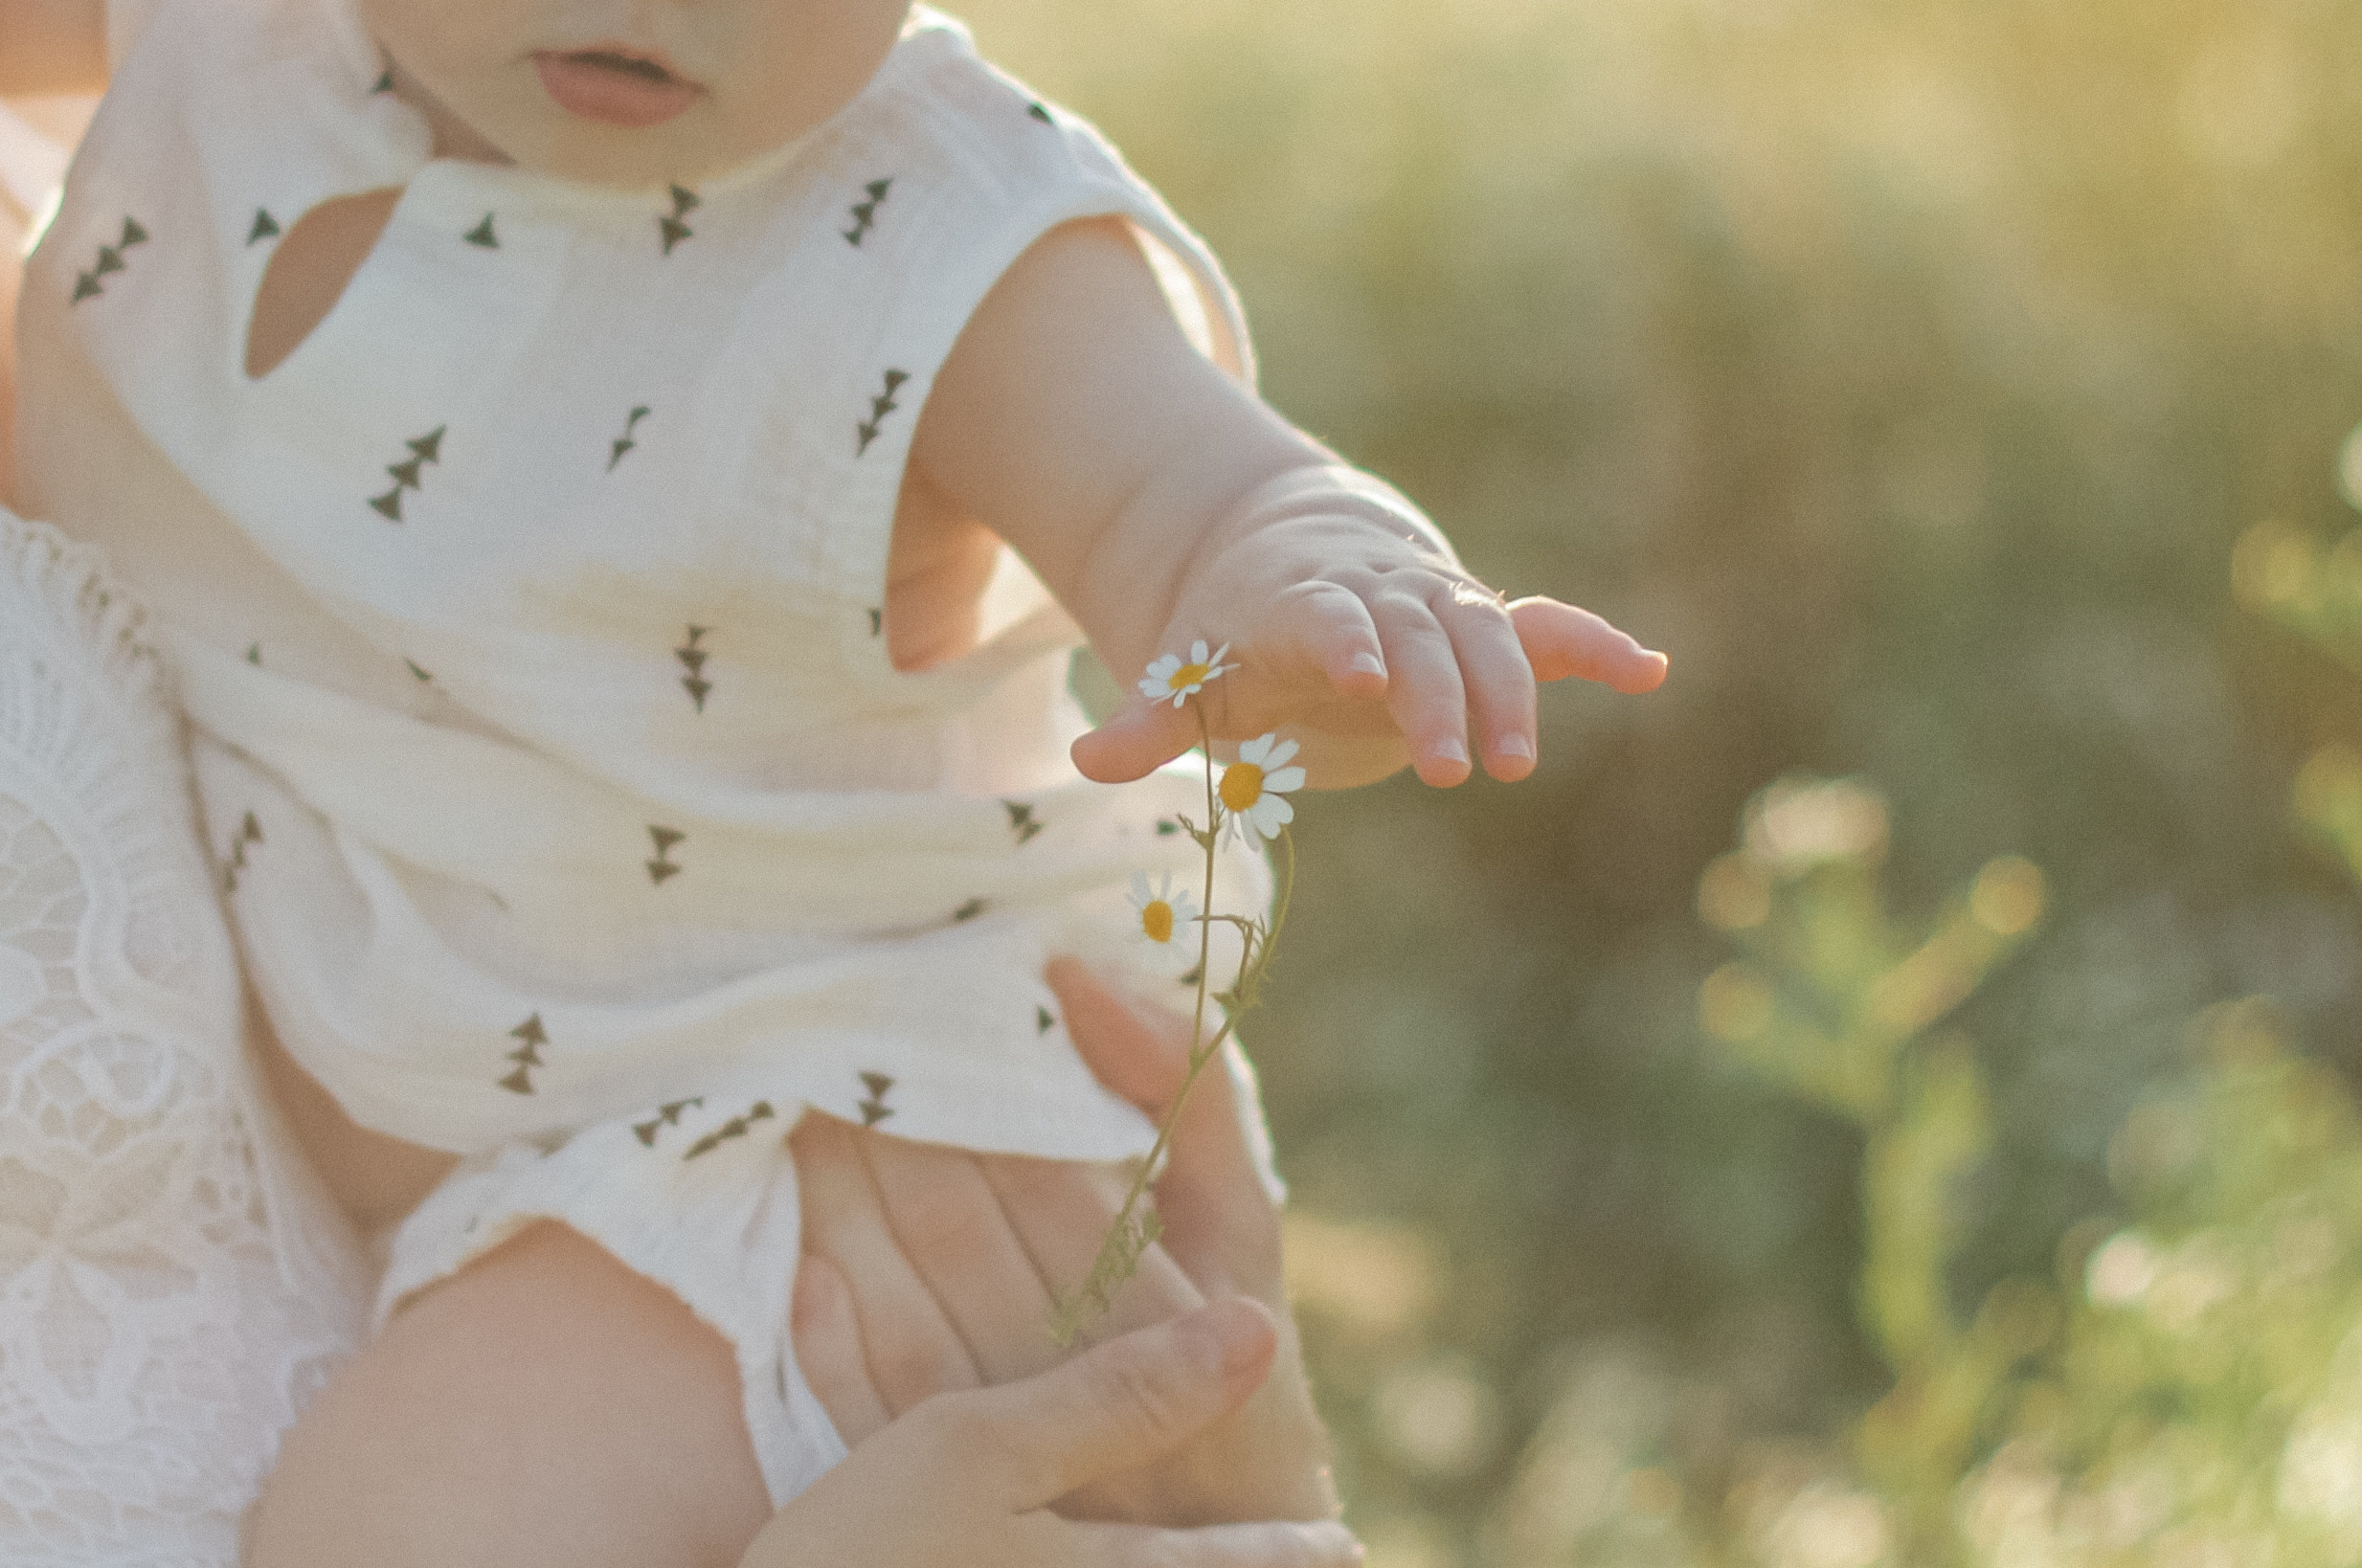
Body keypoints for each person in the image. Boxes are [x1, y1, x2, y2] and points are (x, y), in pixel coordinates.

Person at [6, 0, 1668, 1557]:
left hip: (796, 1129)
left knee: (402, 1531)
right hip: (496, 1127)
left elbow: (1208, 491)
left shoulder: (938, 231)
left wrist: (1314, 603)